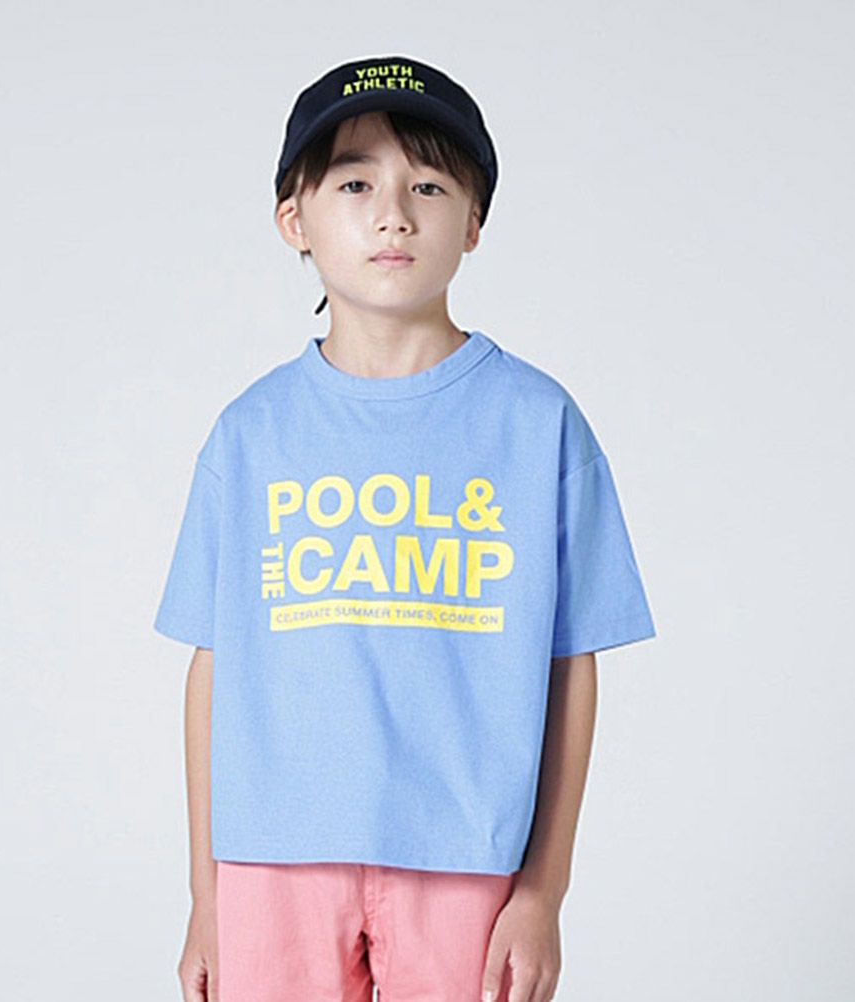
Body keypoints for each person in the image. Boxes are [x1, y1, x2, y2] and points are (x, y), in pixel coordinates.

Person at [153, 54, 657, 1002]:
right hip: (272, 860)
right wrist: (206, 895)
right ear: (294, 220)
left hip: (468, 854)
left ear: (473, 222)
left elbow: (572, 663)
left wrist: (543, 891)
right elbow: (213, 664)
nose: (394, 214)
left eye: (428, 185)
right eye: (355, 184)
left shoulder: (537, 425)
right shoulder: (250, 434)